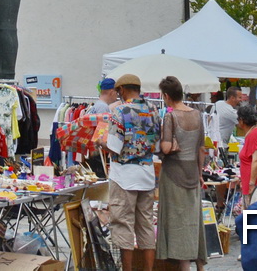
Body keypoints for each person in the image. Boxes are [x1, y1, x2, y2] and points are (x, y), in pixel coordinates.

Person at [103, 74, 160, 271]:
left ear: (122, 90)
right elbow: (157, 143)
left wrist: (100, 140)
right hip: (147, 173)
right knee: (145, 225)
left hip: (124, 175)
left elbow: (114, 147)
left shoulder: (120, 111)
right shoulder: (153, 110)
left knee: (123, 224)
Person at [156, 75, 206, 271]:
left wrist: (161, 144)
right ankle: (200, 264)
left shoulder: (170, 116)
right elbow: (201, 148)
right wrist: (200, 172)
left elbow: (167, 148)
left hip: (173, 175)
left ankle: (184, 266)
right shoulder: (196, 114)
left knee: (177, 222)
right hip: (192, 173)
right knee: (193, 219)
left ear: (166, 96)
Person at [210, 87, 245, 152]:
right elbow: (244, 125)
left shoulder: (218, 103)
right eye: (239, 97)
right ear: (232, 98)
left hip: (211, 142)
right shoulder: (231, 112)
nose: (241, 100)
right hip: (221, 146)